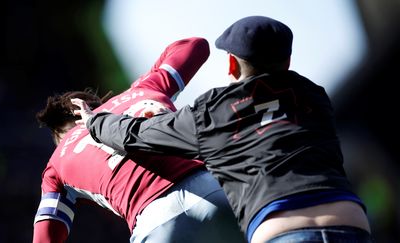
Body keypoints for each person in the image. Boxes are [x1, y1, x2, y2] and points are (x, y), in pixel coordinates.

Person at [72, 16, 373, 242]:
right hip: (351, 218)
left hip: (281, 230)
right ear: (288, 60)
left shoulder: (214, 111)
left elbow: (137, 135)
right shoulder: (315, 97)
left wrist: (94, 120)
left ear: (231, 64)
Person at [33, 37, 246, 243]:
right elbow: (196, 45)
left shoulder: (56, 163)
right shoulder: (143, 90)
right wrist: (145, 82)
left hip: (154, 222)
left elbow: (46, 236)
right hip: (214, 190)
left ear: (61, 137)